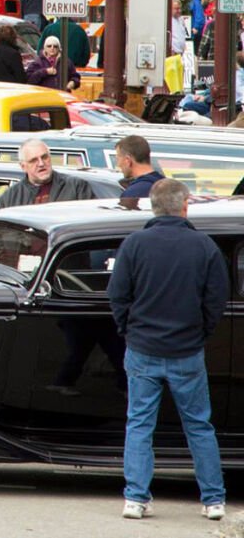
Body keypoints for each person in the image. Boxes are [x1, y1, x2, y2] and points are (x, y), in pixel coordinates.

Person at [107, 178, 226, 521]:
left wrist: (127, 330)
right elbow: (215, 299)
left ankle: (136, 497)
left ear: (152, 206)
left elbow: (118, 295)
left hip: (143, 347)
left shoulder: (134, 245)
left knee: (140, 424)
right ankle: (213, 499)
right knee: (199, 426)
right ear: (184, 205)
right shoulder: (204, 247)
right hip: (187, 349)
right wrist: (201, 332)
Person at [0, 138, 100, 208]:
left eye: (44, 157)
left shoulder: (77, 187)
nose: (41, 164)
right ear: (23, 167)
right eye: (34, 160)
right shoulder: (9, 199)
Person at [116, 134, 165, 200]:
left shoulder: (133, 194)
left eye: (118, 159)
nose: (118, 165)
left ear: (128, 160)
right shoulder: (169, 187)